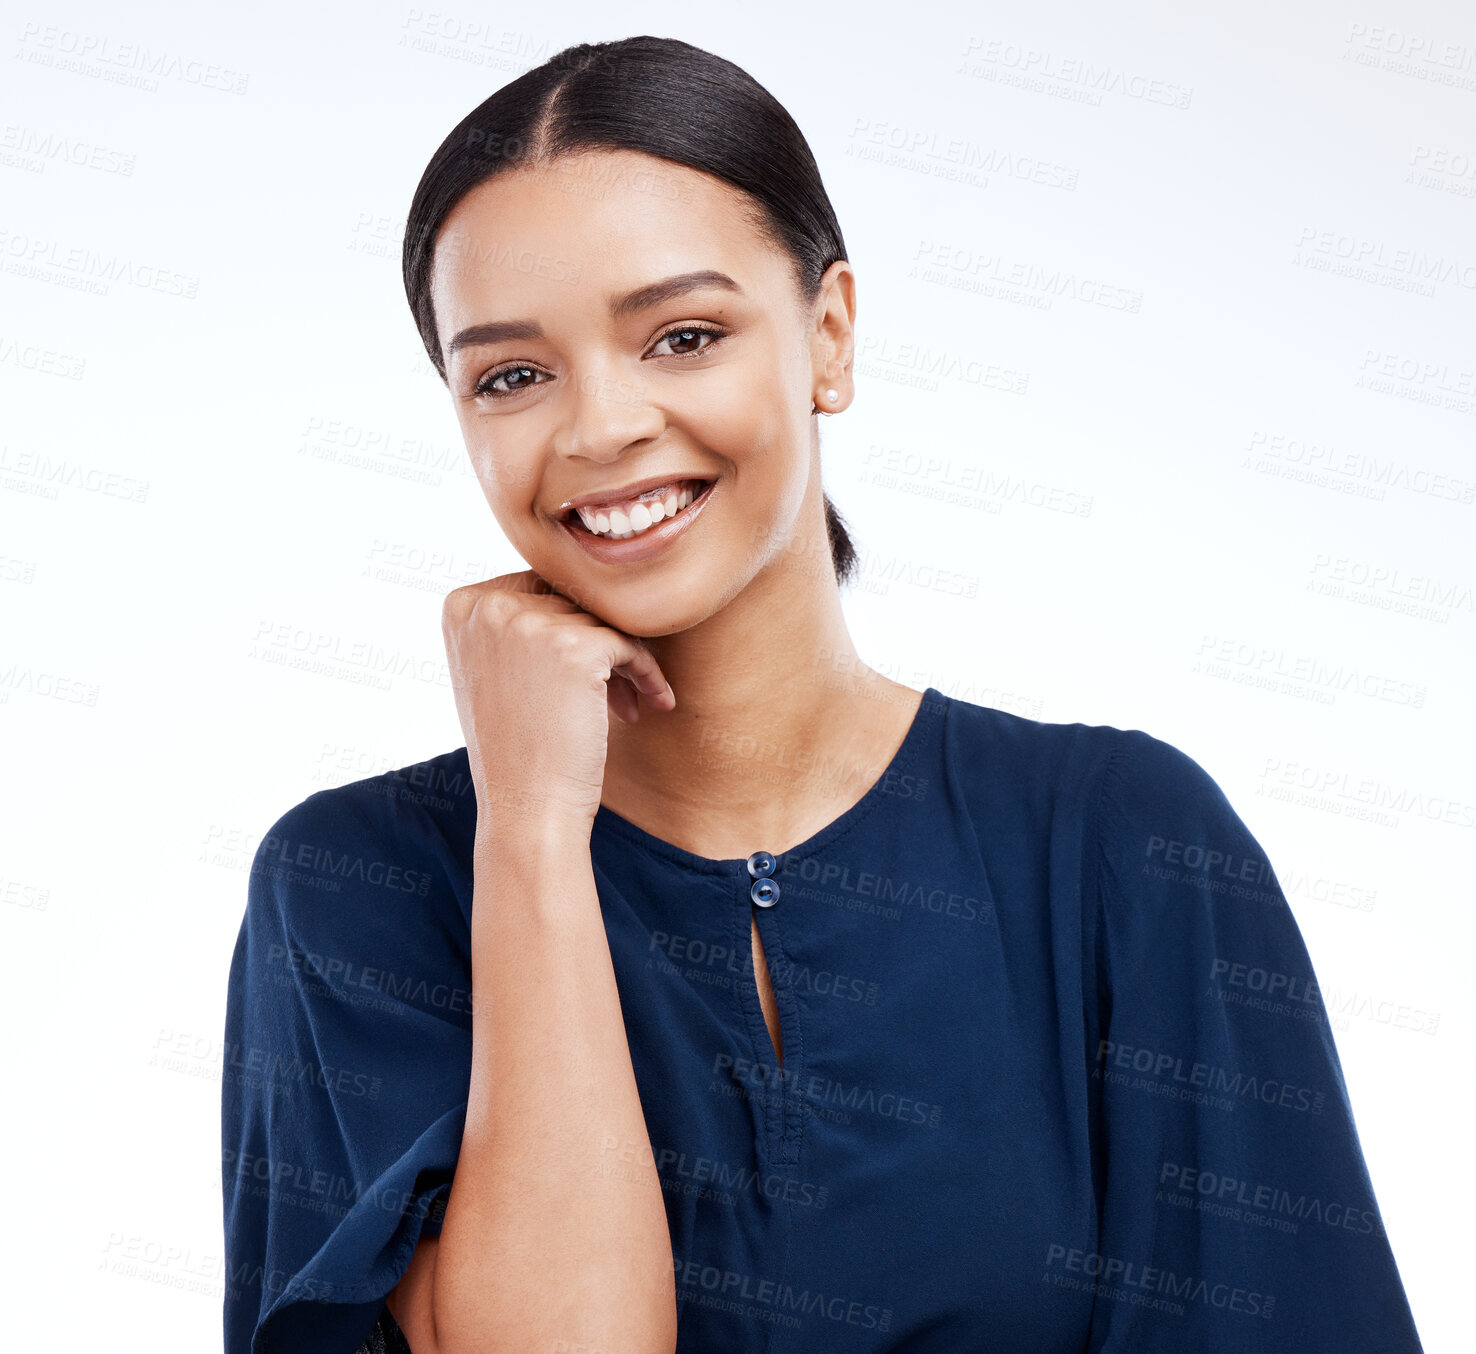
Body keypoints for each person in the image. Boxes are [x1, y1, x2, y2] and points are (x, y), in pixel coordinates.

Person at [220, 34, 1426, 1354]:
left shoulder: (1125, 845)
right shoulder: (352, 888)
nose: (601, 425)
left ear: (829, 336)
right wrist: (529, 831)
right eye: (511, 373)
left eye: (683, 334)